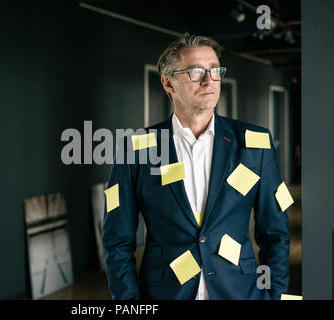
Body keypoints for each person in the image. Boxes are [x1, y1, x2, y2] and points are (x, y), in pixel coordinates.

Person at [102, 33, 290, 300]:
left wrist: (275, 294)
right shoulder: (135, 149)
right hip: (164, 293)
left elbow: (275, 233)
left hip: (240, 292)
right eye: (195, 72)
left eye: (215, 70)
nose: (209, 80)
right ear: (168, 83)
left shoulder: (254, 143)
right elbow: (117, 241)